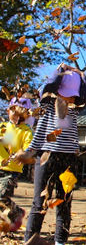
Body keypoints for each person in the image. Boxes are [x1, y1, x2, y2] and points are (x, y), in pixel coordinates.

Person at [24, 64, 86, 245]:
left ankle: (60, 241)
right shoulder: (46, 103)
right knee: (39, 202)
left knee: (64, 202)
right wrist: (60, 71)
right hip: (46, 155)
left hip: (68, 159)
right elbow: (48, 86)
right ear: (57, 90)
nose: (68, 97)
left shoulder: (75, 108)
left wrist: (81, 75)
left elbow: (85, 94)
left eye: (72, 94)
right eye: (64, 92)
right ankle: (30, 240)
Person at [0, 97, 33, 232]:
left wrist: (23, 153)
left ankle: (17, 212)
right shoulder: (2, 127)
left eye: (20, 113)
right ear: (8, 111)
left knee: (2, 196)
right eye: (13, 111)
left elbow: (28, 148)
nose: (16, 114)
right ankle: (11, 217)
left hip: (12, 169)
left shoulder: (26, 130)